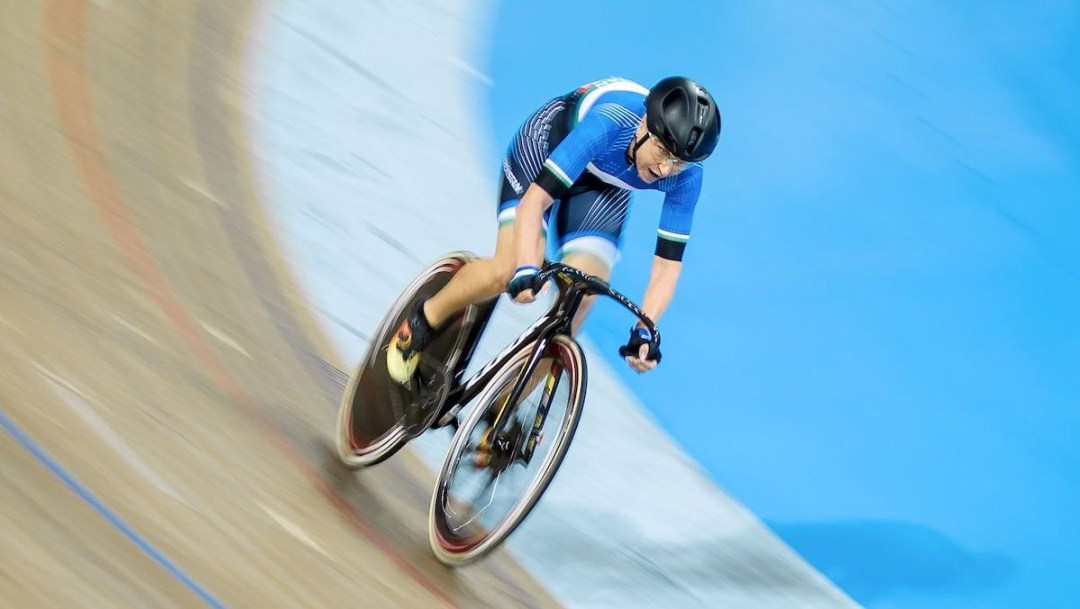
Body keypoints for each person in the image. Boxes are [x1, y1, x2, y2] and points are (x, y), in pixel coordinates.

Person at [387, 75, 721, 384]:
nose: (665, 169)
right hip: (545, 150)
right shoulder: (608, 124)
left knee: (583, 295)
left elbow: (667, 270)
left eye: (677, 162)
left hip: (602, 185)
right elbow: (533, 203)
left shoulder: (686, 176)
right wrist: (526, 267)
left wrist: (645, 330)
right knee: (506, 269)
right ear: (645, 125)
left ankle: (503, 418)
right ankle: (422, 321)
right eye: (662, 152)